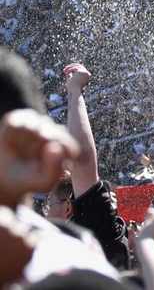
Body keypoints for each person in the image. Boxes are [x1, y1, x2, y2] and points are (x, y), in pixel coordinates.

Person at [45, 63, 129, 270]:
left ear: (67, 207)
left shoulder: (95, 231)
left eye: (49, 206)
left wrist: (75, 91)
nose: (44, 214)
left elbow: (82, 161)